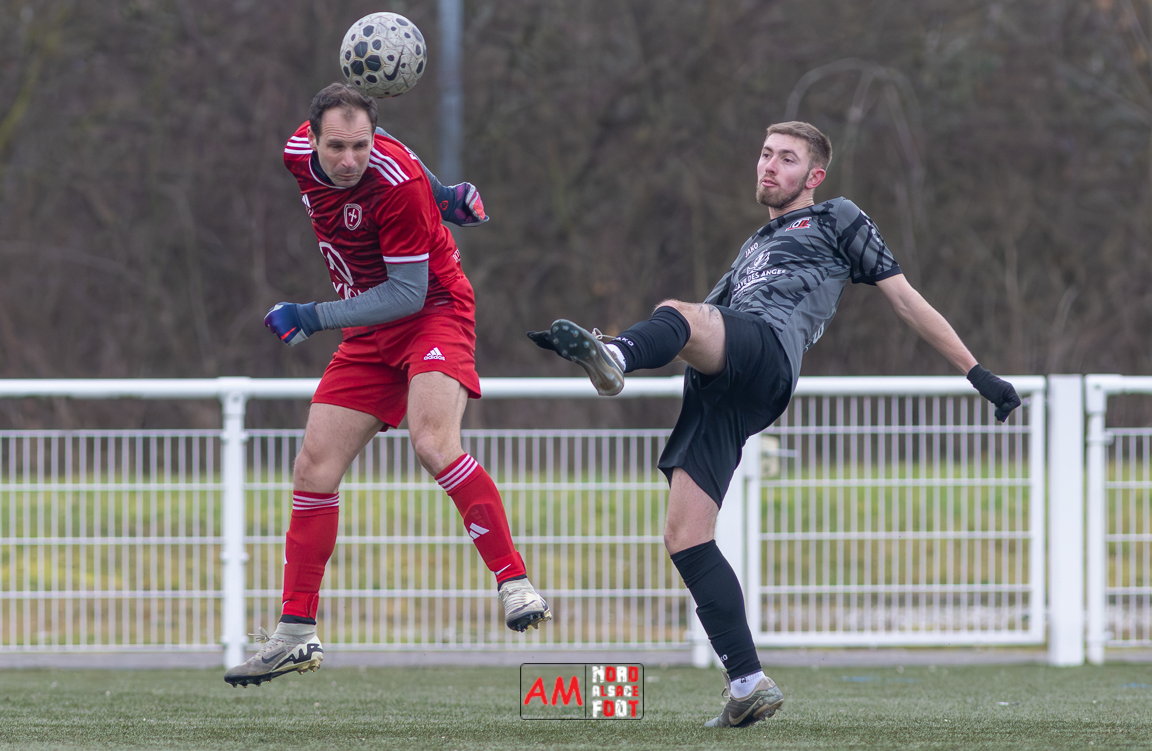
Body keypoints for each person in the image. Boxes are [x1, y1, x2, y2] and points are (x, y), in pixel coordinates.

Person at [529, 121, 1020, 727]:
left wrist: (978, 372)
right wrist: (611, 343)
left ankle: (616, 358)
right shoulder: (751, 248)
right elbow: (693, 331)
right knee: (685, 535)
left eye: (787, 158)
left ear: (814, 176)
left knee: (678, 310)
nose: (769, 166)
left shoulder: (838, 217)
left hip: (767, 354)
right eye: (765, 154)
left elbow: (905, 299)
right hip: (723, 388)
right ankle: (748, 684)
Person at [224, 83, 551, 688]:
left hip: (432, 312)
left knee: (432, 442)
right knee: (313, 469)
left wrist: (311, 315)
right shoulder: (296, 152)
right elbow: (388, 150)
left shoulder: (395, 183)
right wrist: (445, 193)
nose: (350, 159)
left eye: (362, 146)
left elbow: (406, 293)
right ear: (312, 139)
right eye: (336, 146)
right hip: (368, 331)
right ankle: (295, 633)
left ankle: (514, 581)